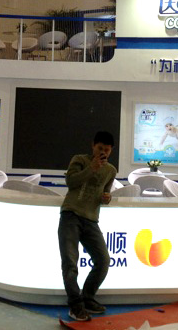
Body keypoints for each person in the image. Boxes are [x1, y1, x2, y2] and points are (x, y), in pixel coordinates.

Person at [58, 131, 117, 322]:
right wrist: (92, 167)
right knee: (70, 263)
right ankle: (76, 306)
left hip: (91, 220)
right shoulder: (80, 160)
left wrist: (107, 198)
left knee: (103, 260)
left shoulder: (111, 171)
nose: (103, 152)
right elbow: (71, 182)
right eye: (100, 148)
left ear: (111, 150)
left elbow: (104, 193)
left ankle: (88, 298)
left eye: (107, 150)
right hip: (71, 215)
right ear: (93, 146)